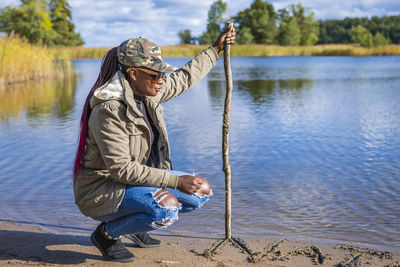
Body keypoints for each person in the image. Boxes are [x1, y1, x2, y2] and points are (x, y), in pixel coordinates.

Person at [73, 25, 236, 263]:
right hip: (102, 188)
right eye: (154, 74)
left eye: (162, 74)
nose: (161, 80)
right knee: (166, 209)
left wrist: (215, 48)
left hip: (132, 182)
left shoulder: (149, 92)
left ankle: (135, 225)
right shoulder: (108, 110)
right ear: (133, 73)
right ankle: (106, 235)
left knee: (202, 192)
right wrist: (175, 181)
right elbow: (121, 169)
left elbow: (184, 77)